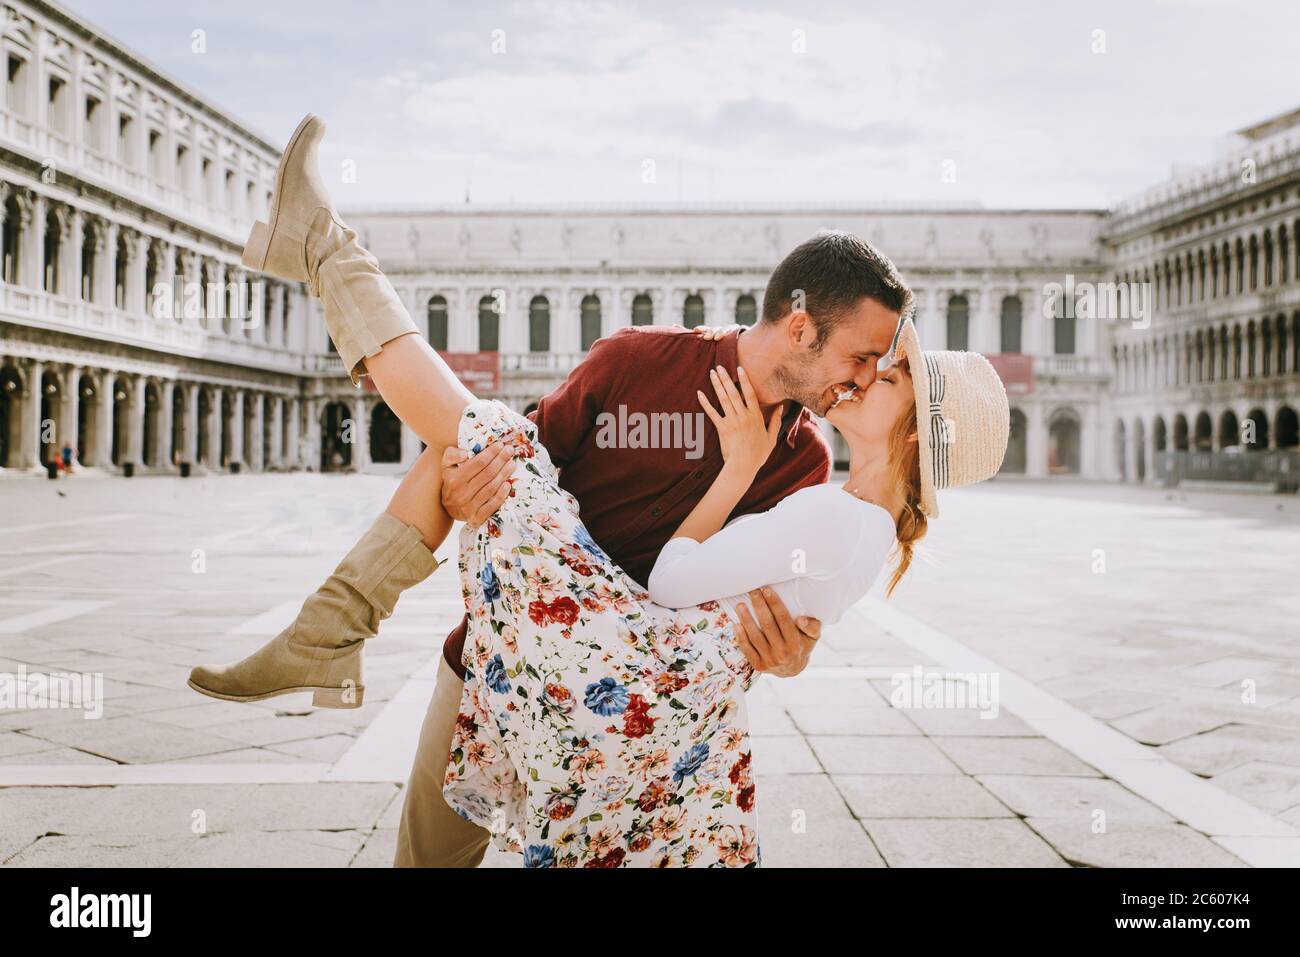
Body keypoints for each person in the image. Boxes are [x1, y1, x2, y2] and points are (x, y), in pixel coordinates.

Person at [188, 114, 1009, 866]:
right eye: (863, 358)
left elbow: (750, 601)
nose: (862, 379)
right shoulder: (635, 360)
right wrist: (470, 491)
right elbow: (502, 473)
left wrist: (794, 650)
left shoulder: (801, 463)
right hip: (503, 662)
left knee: (473, 427)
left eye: (881, 372)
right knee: (474, 446)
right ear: (801, 327)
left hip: (601, 681)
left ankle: (325, 254)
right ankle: (328, 627)